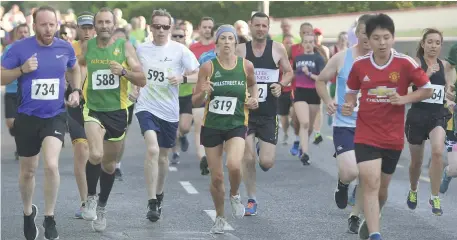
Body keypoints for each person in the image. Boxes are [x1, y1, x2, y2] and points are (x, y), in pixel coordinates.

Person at [342, 13, 433, 240]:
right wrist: (348, 105)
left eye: (386, 37)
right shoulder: (359, 65)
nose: (381, 43)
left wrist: (404, 99)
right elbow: (351, 92)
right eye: (376, 38)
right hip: (366, 133)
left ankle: (374, 215)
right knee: (370, 183)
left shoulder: (404, 63)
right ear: (368, 40)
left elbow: (427, 89)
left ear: (393, 38)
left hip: (392, 137)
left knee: (382, 190)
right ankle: (375, 234)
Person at [1, 6, 82, 240]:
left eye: (52, 24)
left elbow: (74, 69)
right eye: (43, 24)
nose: (48, 29)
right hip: (27, 116)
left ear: (57, 25)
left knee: (51, 165)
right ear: (34, 25)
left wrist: (75, 90)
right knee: (28, 171)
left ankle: (49, 216)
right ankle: (28, 213)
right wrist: (21, 70)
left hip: (55, 115)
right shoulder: (19, 48)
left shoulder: (64, 48)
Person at [78, 7, 146, 232]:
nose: (104, 26)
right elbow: (76, 66)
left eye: (108, 22)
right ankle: (90, 197)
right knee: (95, 153)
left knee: (108, 164)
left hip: (117, 111)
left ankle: (102, 207)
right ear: (95, 26)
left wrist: (124, 73)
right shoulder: (88, 46)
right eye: (101, 22)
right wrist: (75, 89)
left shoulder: (124, 47)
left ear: (114, 24)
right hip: (93, 108)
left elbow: (142, 78)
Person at [134, 9, 199, 222]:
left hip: (169, 111)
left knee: (163, 156)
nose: (161, 30)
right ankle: (151, 200)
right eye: (157, 26)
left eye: (165, 27)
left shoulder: (180, 51)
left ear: (170, 28)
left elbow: (199, 75)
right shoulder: (141, 49)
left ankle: (159, 194)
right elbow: (133, 73)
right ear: (150, 28)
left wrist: (183, 79)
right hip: (146, 106)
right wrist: (132, 88)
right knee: (152, 149)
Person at [192, 25, 258, 234]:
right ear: (217, 43)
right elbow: (194, 99)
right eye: (224, 38)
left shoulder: (246, 66)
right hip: (212, 125)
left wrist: (254, 98)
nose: (227, 42)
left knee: (234, 165)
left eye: (231, 38)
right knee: (217, 177)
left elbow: (253, 85)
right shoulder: (208, 67)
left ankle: (236, 194)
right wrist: (203, 92)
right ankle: (219, 217)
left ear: (235, 43)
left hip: (236, 123)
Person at [316, 14, 373, 233]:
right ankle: (342, 183)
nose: (367, 38)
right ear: (357, 33)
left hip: (371, 126)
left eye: (372, 33)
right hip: (344, 123)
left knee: (366, 173)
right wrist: (328, 101)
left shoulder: (383, 61)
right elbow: (321, 80)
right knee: (351, 172)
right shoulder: (342, 58)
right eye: (363, 32)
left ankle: (355, 215)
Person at [236, 12, 293, 216]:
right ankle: (251, 199)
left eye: (264, 26)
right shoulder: (241, 50)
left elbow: (288, 72)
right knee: (248, 157)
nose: (260, 29)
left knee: (266, 163)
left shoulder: (277, 48)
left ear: (268, 28)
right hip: (246, 113)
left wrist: (280, 84)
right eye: (257, 25)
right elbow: (233, 74)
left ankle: (262, 148)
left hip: (269, 113)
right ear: (250, 26)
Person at [405, 28, 456, 216]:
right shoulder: (415, 63)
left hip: (437, 114)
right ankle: (413, 189)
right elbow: (407, 87)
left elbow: (444, 90)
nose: (433, 46)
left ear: (441, 46)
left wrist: (451, 97)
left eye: (437, 43)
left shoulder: (443, 65)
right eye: (430, 42)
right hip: (417, 115)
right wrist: (426, 72)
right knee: (416, 162)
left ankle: (435, 197)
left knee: (437, 152)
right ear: (423, 43)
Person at [67, 11, 96, 219]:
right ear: (77, 29)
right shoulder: (69, 50)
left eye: (90, 27)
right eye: (83, 28)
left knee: (98, 154)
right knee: (81, 149)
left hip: (99, 107)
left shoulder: (106, 50)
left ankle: (95, 197)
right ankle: (85, 201)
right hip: (76, 105)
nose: (86, 32)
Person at [290, 33, 326, 165]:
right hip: (300, 92)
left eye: (311, 42)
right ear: (302, 44)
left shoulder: (318, 59)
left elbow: (322, 78)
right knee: (304, 123)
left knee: (309, 127)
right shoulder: (298, 58)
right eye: (306, 42)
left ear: (315, 43)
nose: (308, 44)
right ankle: (305, 154)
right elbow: (293, 73)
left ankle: (302, 146)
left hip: (313, 93)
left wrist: (309, 73)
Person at [189, 17, 217, 175]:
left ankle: (212, 155)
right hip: (200, 92)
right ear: (199, 28)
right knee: (200, 125)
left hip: (219, 94)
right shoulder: (193, 48)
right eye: (205, 27)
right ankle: (203, 158)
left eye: (210, 27)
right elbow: (190, 70)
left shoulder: (221, 47)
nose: (207, 30)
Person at [2, 23, 30, 161]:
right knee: (10, 122)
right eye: (20, 32)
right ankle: (21, 138)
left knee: (24, 121)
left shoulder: (33, 50)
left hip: (26, 91)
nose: (23, 34)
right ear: (15, 34)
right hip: (11, 89)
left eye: (26, 32)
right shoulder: (9, 49)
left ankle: (22, 147)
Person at [440, 42, 457, 193]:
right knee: (454, 170)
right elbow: (448, 66)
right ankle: (447, 172)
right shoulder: (456, 47)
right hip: (455, 120)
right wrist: (449, 88)